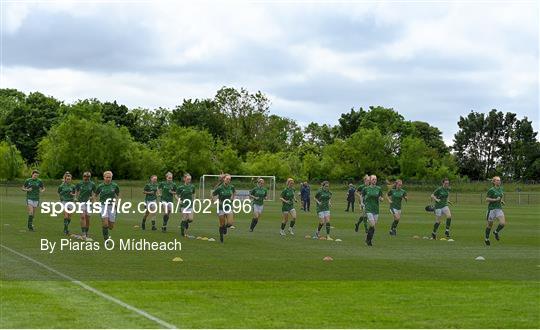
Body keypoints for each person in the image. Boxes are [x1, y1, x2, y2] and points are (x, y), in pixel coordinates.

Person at [95, 171, 120, 242]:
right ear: (104, 177)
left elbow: (118, 195)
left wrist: (117, 202)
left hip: (112, 206)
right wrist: (96, 203)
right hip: (103, 206)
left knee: (111, 227)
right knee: (105, 223)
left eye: (110, 177)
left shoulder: (115, 186)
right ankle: (106, 239)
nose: (108, 179)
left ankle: (108, 226)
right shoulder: (100, 186)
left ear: (111, 178)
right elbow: (95, 195)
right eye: (107, 177)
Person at [212, 174, 236, 243]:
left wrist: (232, 198)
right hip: (221, 208)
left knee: (230, 223)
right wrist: (216, 201)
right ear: (224, 179)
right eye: (227, 179)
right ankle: (221, 237)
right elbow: (213, 194)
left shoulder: (231, 187)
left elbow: (234, 193)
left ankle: (225, 228)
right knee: (222, 224)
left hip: (229, 206)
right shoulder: (220, 188)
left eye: (229, 179)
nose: (228, 180)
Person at [484, 176, 506, 246]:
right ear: (493, 182)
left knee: (502, 223)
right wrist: (495, 200)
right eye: (497, 180)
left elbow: (500, 197)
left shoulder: (501, 189)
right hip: (491, 210)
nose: (499, 181)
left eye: (499, 180)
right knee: (490, 225)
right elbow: (487, 199)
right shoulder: (491, 190)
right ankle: (486, 238)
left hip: (499, 209)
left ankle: (496, 232)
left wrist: (501, 201)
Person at [75, 171, 96, 239]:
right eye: (85, 176)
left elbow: (94, 194)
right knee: (83, 217)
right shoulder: (79, 184)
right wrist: (76, 198)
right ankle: (83, 233)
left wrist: (93, 199)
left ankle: (86, 232)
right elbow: (77, 191)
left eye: (88, 176)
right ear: (83, 176)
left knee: (87, 218)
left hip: (89, 203)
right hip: (81, 202)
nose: (86, 178)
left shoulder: (92, 184)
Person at [364, 175, 384, 246]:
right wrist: (361, 203)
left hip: (376, 209)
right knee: (372, 224)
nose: (374, 180)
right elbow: (361, 195)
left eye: (375, 179)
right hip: (369, 209)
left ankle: (368, 239)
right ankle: (369, 241)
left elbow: (382, 198)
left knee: (374, 227)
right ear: (370, 180)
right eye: (373, 179)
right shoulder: (366, 189)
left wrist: (381, 199)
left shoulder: (379, 188)